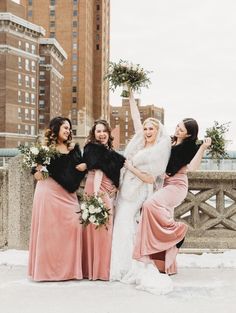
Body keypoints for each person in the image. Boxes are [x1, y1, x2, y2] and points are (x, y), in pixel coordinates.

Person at [132, 118, 212, 292]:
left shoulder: (190, 147)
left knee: (149, 206)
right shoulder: (169, 141)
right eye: (177, 126)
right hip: (165, 184)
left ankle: (178, 231)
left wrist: (203, 148)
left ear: (189, 134)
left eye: (181, 129)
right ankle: (165, 265)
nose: (177, 130)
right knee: (157, 215)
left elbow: (192, 167)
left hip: (177, 186)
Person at [109, 92, 171, 283]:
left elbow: (150, 179)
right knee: (121, 224)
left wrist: (131, 168)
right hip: (125, 190)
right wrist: (131, 94)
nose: (147, 131)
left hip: (139, 192)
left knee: (125, 224)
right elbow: (136, 118)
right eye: (145, 128)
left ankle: (128, 266)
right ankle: (118, 265)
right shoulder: (140, 145)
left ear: (157, 131)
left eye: (151, 128)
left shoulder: (156, 152)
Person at [28, 117, 85, 281]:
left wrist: (84, 166)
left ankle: (69, 271)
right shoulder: (45, 149)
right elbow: (38, 176)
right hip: (48, 192)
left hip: (68, 195)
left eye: (69, 128)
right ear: (55, 130)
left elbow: (79, 171)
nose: (68, 131)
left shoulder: (73, 150)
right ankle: (46, 271)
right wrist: (40, 167)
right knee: (48, 232)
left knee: (74, 224)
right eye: (65, 128)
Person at [81, 119, 125, 280]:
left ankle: (100, 267)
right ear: (94, 134)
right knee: (99, 227)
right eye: (98, 131)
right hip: (95, 187)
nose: (101, 134)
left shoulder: (110, 151)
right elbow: (97, 168)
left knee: (104, 227)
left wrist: (116, 185)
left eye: (104, 131)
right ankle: (97, 270)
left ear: (108, 133)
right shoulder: (91, 149)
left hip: (105, 187)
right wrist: (96, 195)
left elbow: (116, 169)